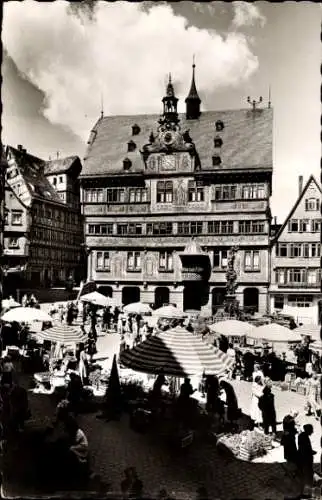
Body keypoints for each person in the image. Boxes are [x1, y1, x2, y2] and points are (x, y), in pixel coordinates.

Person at [298, 424, 316, 492]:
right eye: (311, 430)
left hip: (305, 457)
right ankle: (309, 486)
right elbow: (304, 449)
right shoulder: (304, 437)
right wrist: (310, 452)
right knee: (308, 472)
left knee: (308, 472)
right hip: (305, 458)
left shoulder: (303, 436)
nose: (312, 432)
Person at [281, 411, 299, 477]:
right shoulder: (289, 419)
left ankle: (290, 470)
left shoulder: (287, 418)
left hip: (288, 440)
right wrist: (296, 430)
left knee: (289, 456)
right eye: (295, 415)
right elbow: (290, 426)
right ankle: (293, 471)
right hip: (289, 440)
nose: (295, 416)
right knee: (292, 456)